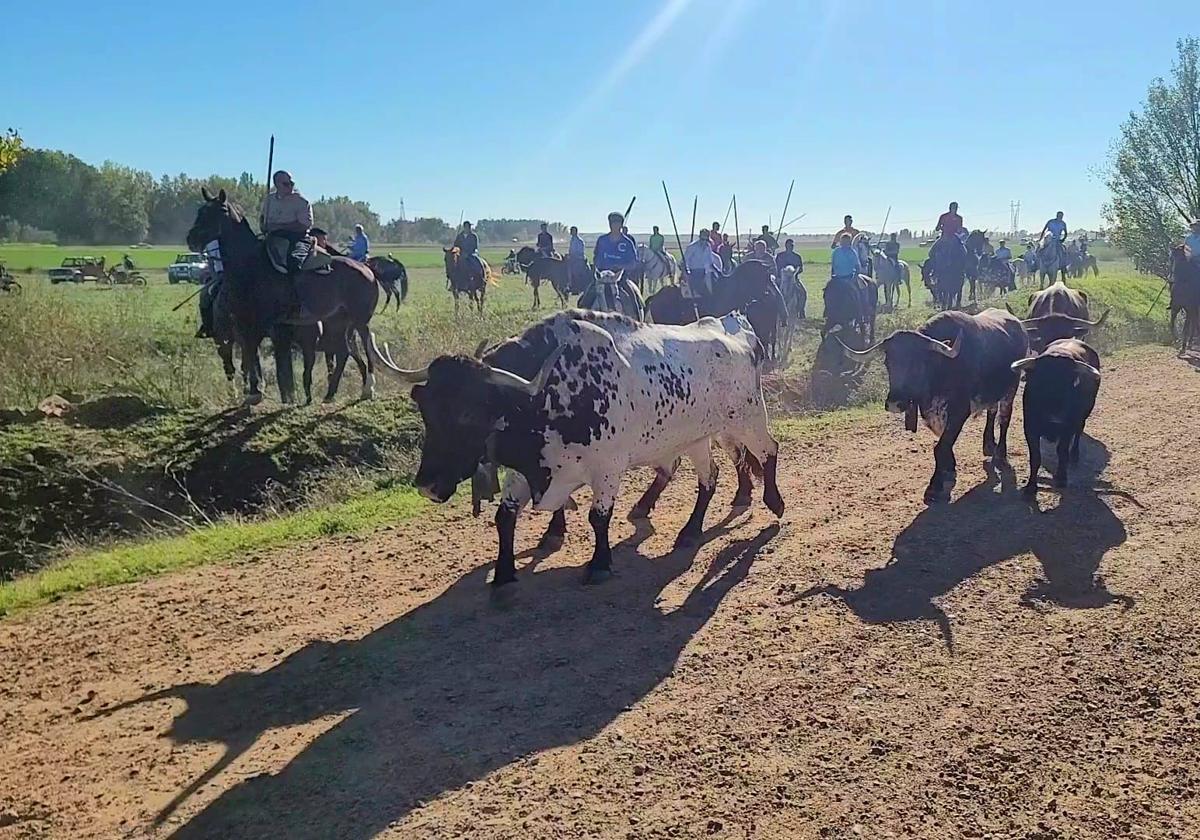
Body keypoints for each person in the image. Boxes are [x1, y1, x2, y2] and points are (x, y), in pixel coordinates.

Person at [260, 170, 314, 275]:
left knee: (295, 262)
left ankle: (294, 290)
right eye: (286, 184)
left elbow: (304, 225)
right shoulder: (269, 200)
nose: (290, 186)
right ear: (276, 185)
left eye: (291, 183)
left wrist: (279, 227)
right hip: (272, 237)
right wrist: (264, 226)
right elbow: (263, 218)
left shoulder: (301, 202)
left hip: (297, 238)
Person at [589, 211, 642, 306]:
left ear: (621, 225)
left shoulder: (627, 243)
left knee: (633, 299)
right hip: (602, 277)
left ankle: (637, 315)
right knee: (586, 298)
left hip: (620, 277)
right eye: (612, 223)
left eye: (617, 224)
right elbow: (596, 257)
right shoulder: (602, 240)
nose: (614, 226)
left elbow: (633, 263)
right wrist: (598, 268)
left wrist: (620, 266)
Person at [195, 239, 224, 339]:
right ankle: (208, 326)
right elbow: (211, 263)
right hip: (218, 274)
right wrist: (215, 277)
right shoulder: (211, 244)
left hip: (237, 273)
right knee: (204, 295)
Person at [684, 229, 722, 298]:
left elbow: (710, 262)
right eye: (702, 239)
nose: (704, 242)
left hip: (705, 272)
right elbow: (684, 261)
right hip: (694, 272)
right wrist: (686, 271)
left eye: (706, 240)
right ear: (699, 237)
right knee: (700, 290)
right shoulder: (692, 247)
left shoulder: (708, 247)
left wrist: (718, 271)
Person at [568, 225, 587, 289]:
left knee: (575, 271)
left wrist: (573, 255)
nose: (570, 232)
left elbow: (580, 252)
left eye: (571, 231)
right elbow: (571, 249)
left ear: (575, 232)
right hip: (573, 258)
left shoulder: (579, 241)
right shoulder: (572, 240)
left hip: (579, 259)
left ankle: (577, 286)